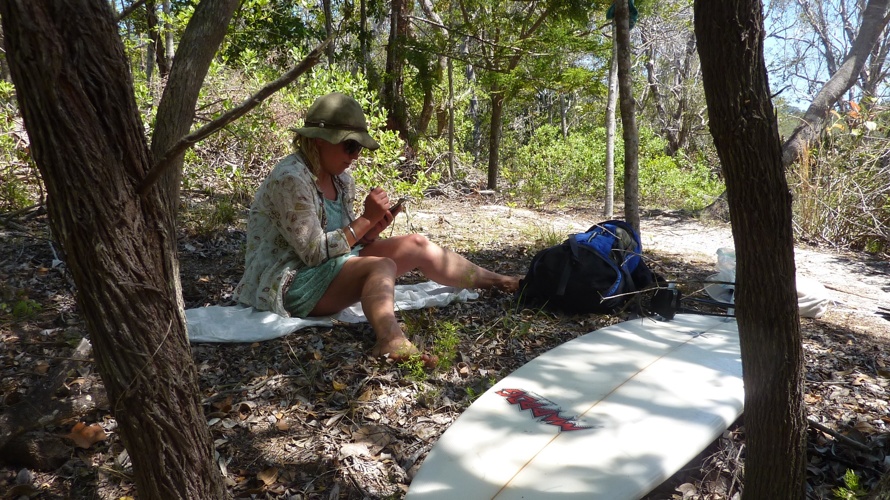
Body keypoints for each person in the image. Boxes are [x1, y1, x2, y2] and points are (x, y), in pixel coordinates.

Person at [233, 92, 519, 367]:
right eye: (350, 146)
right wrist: (364, 221)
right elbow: (312, 253)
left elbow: (344, 239)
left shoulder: (341, 180)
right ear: (320, 141)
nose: (355, 155)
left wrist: (369, 230)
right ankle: (390, 339)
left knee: (416, 243)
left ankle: (501, 282)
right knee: (380, 266)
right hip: (289, 283)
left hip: (327, 268)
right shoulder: (291, 179)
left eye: (358, 148)